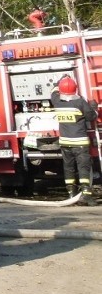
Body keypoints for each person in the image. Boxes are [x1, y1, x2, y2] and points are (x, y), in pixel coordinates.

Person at [51, 75, 99, 206]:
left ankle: (71, 193)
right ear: (75, 89)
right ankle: (86, 195)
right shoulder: (80, 103)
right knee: (83, 168)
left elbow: (53, 92)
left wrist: (58, 82)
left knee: (68, 168)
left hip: (65, 143)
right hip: (80, 143)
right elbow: (91, 116)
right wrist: (95, 107)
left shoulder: (56, 101)